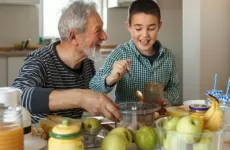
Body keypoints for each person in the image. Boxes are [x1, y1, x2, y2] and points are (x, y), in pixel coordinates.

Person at [12, 0, 122, 124]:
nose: (104, 37)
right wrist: (81, 98)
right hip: (41, 139)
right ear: (73, 37)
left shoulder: (87, 63)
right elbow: (19, 96)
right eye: (98, 30)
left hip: (72, 138)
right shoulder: (40, 60)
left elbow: (93, 95)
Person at [90, 0, 180, 106]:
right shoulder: (120, 54)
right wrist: (111, 78)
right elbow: (93, 86)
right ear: (129, 27)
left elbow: (174, 86)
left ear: (159, 26)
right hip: (127, 120)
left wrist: (167, 99)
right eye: (138, 28)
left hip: (157, 118)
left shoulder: (168, 57)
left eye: (151, 28)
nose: (145, 34)